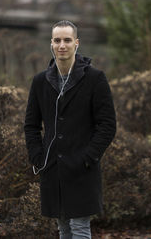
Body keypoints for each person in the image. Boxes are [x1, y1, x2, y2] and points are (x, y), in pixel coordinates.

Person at [24, 20, 116, 239]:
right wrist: (38, 158)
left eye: (67, 40)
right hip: (52, 168)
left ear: (77, 43)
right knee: (63, 228)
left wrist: (88, 157)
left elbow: (108, 125)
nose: (61, 45)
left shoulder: (95, 79)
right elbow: (31, 125)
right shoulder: (40, 81)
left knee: (80, 227)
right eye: (57, 40)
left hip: (82, 168)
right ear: (51, 44)